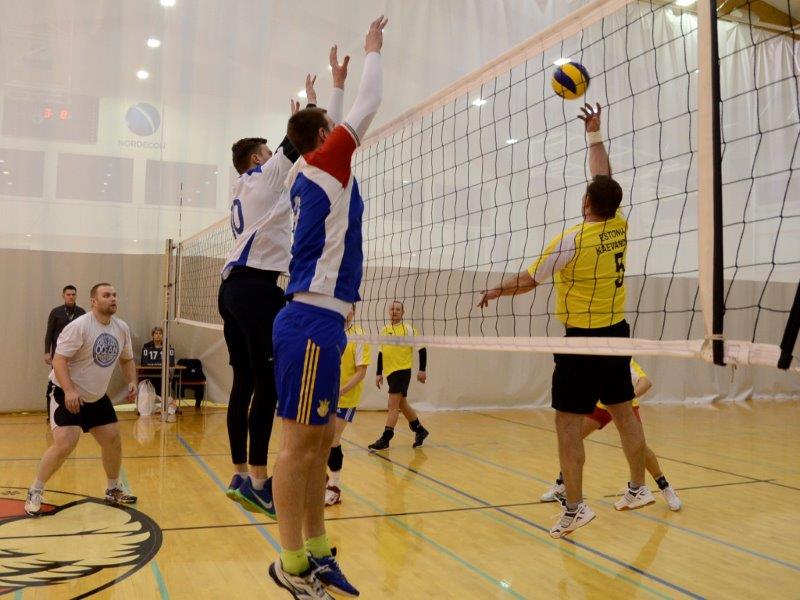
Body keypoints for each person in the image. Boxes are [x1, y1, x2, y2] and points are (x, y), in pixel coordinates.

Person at [478, 103, 652, 539]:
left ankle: (575, 508)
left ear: (586, 202)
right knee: (625, 414)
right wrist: (594, 135)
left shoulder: (570, 239)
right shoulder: (619, 226)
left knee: (567, 424)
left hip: (582, 343)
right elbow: (604, 179)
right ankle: (638, 488)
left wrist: (496, 289)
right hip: (617, 335)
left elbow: (528, 281)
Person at [269, 16, 386, 599]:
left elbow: (325, 124)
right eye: (330, 127)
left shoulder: (307, 167)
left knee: (320, 445)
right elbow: (370, 104)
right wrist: (372, 53)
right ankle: (290, 563)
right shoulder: (324, 163)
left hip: (323, 322)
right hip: (310, 322)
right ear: (325, 138)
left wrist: (330, 88)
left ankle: (316, 552)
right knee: (298, 449)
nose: (340, 131)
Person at [216, 74, 317, 517]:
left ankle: (240, 473)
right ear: (257, 157)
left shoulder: (241, 188)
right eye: (267, 152)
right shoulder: (265, 174)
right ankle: (259, 482)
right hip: (256, 288)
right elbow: (293, 145)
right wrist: (308, 111)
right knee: (268, 383)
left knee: (244, 383)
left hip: (232, 289)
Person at [26, 283, 138, 516]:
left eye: (114, 295)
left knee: (113, 439)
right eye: (106, 295)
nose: (113, 298)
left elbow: (127, 359)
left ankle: (113, 488)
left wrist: (132, 381)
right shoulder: (79, 327)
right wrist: (69, 391)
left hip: (96, 396)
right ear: (94, 301)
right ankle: (35, 490)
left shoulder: (121, 328)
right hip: (65, 392)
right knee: (65, 443)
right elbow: (59, 360)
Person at [540, 359, 682, 511]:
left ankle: (664, 486)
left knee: (641, 449)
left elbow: (646, 382)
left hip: (623, 406)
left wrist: (626, 398)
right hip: (600, 407)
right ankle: (563, 485)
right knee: (573, 439)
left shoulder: (622, 359)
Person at [367, 300, 429, 451]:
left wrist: (422, 370)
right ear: (389, 311)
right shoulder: (384, 330)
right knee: (402, 404)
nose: (394, 311)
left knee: (392, 404)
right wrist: (378, 373)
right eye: (392, 309)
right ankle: (420, 430)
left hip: (402, 370)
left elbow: (422, 349)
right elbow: (381, 352)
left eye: (398, 309)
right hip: (389, 372)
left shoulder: (408, 330)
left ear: (403, 312)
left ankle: (386, 438)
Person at [325, 304, 370, 507]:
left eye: (349, 307)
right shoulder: (329, 329)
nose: (345, 310)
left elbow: (361, 372)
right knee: (320, 439)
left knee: (333, 438)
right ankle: (323, 480)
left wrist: (341, 391)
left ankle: (335, 487)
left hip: (346, 398)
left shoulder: (359, 336)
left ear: (353, 311)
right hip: (325, 395)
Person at [44, 285, 86, 418]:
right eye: (68, 294)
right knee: (56, 382)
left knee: (76, 381)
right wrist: (47, 352)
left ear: (76, 296)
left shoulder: (81, 312)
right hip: (59, 355)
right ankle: (51, 413)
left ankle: (76, 411)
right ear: (63, 296)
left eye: (73, 294)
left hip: (76, 355)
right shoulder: (56, 312)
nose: (71, 297)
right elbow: (49, 333)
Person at [139, 326, 175, 400]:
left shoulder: (167, 345)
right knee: (149, 379)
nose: (158, 335)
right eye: (156, 333)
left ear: (163, 335)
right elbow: (144, 361)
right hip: (149, 371)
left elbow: (170, 360)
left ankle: (162, 401)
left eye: (160, 333)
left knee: (163, 378)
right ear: (153, 335)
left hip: (162, 372)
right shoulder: (147, 346)